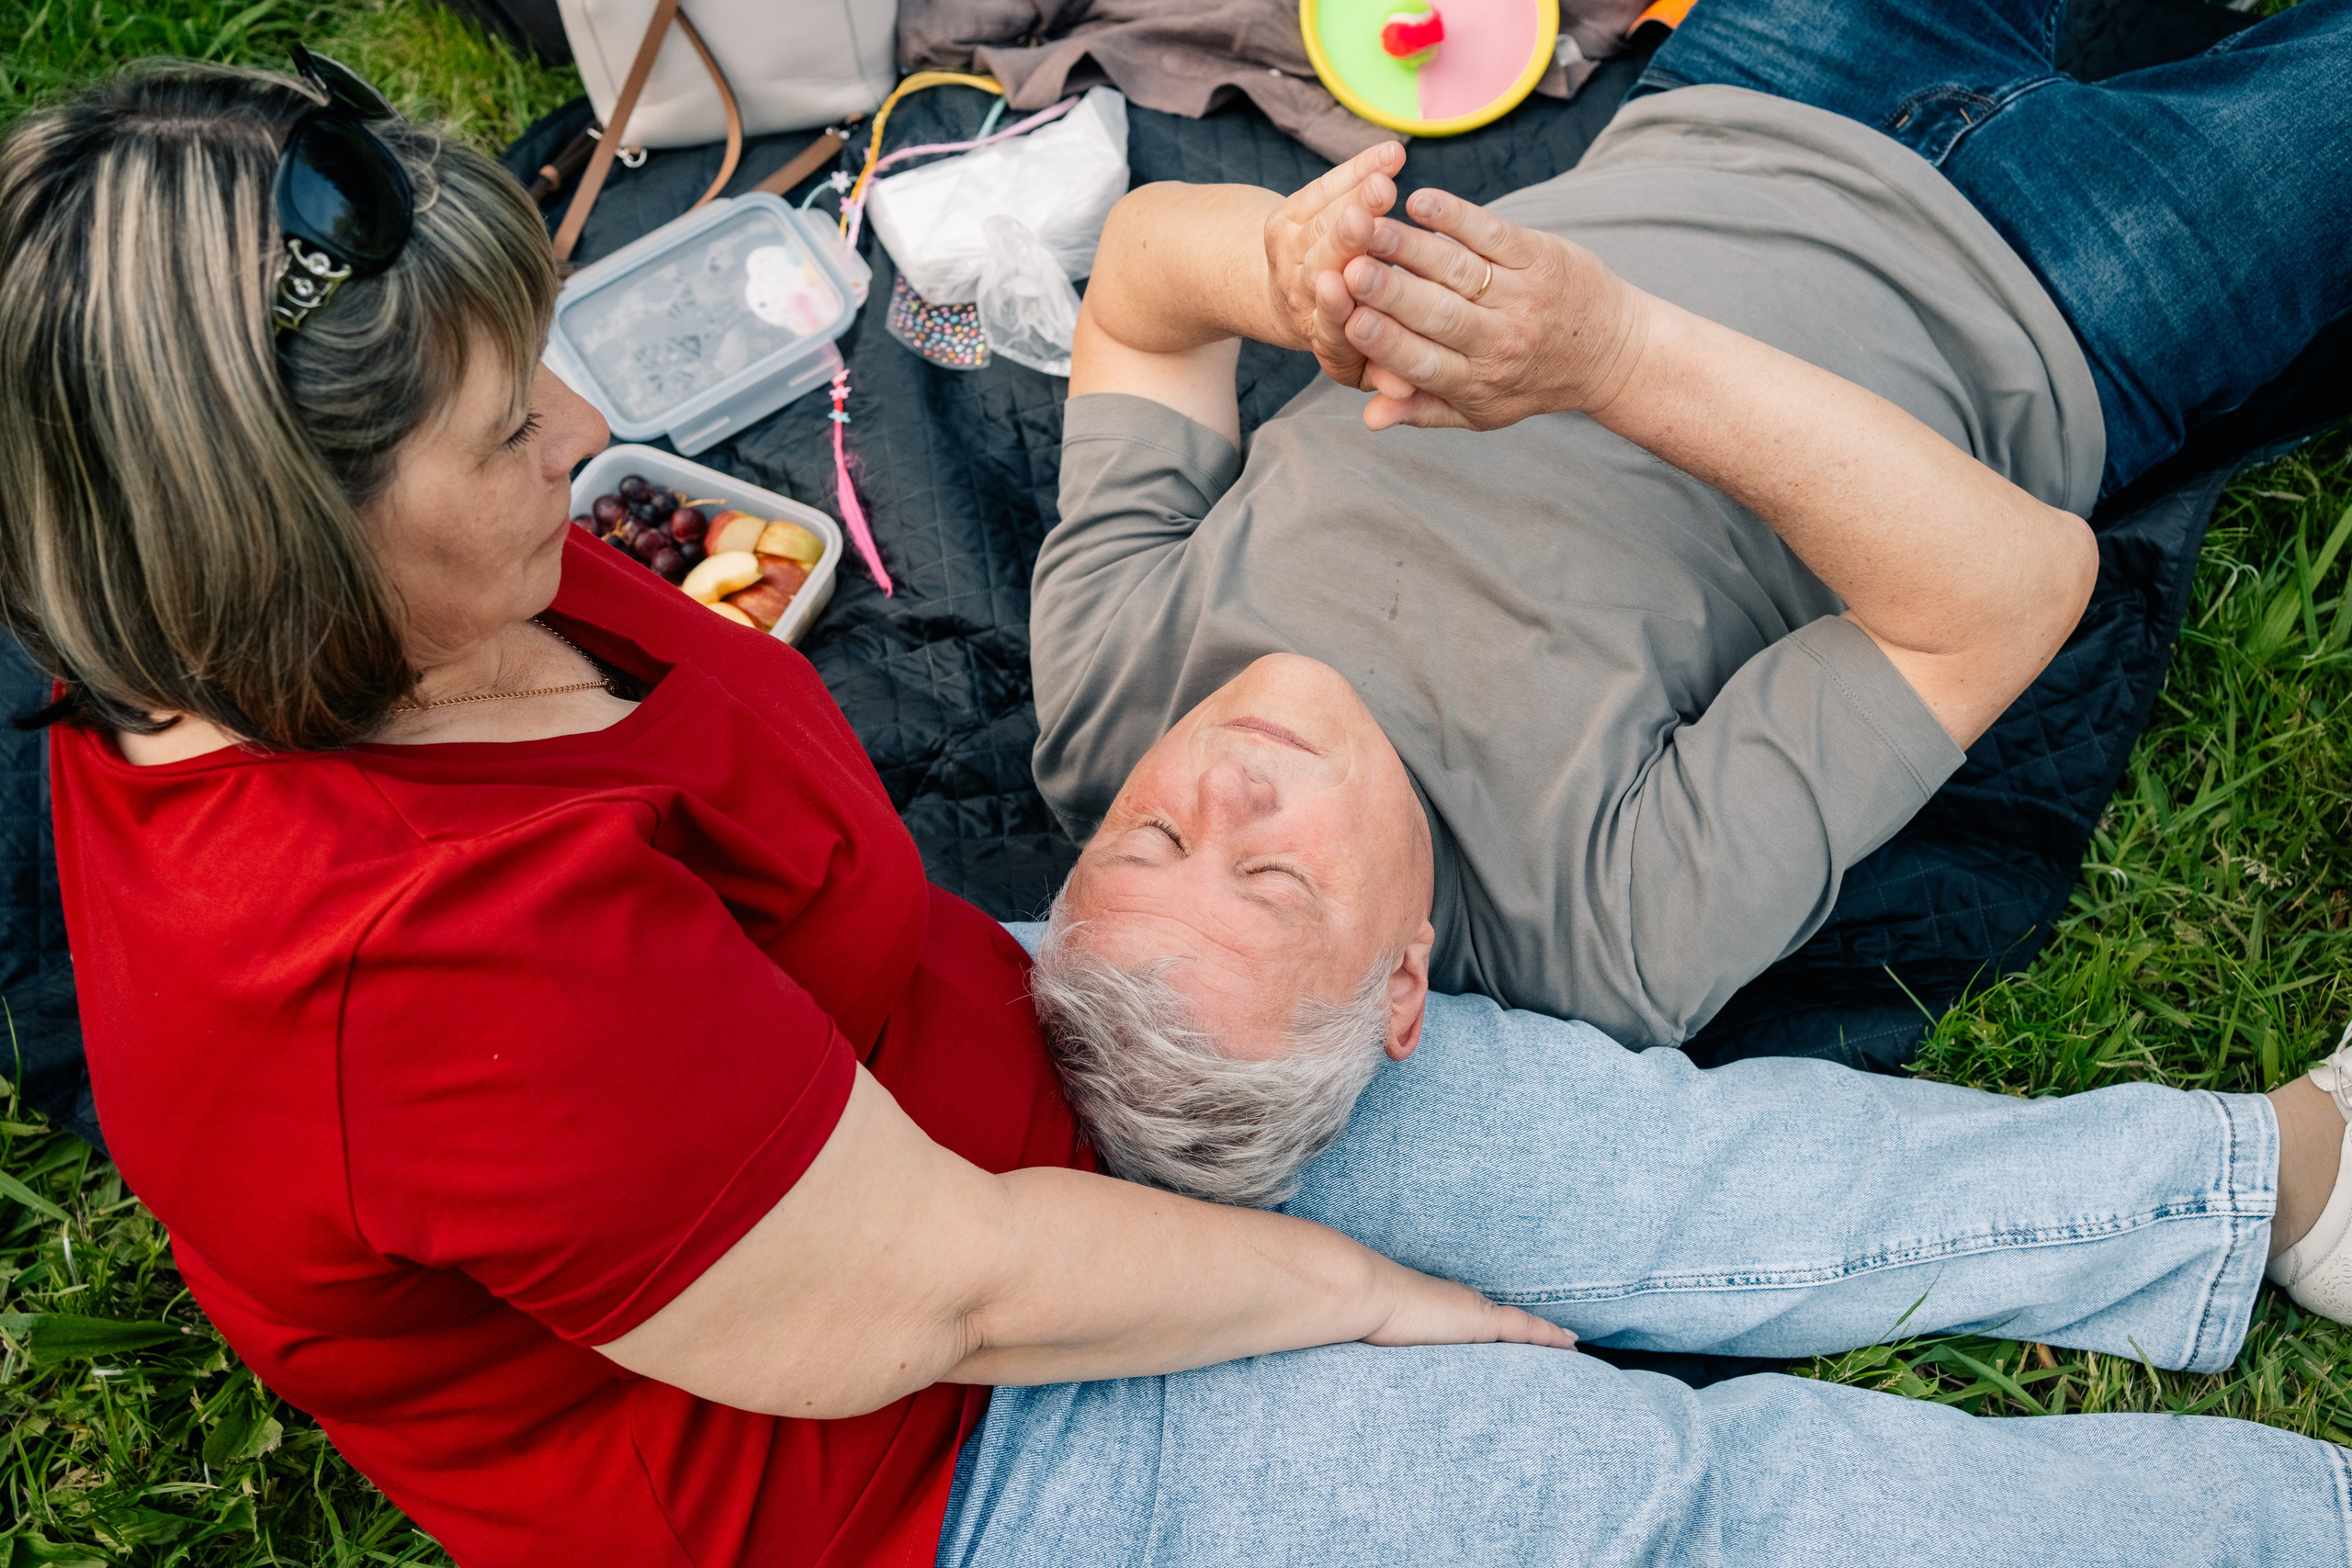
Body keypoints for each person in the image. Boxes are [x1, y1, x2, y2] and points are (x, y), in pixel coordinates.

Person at [11, 43, 2352, 1568]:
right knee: (1636, 1500)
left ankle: (2269, 1192)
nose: (568, 434)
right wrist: (1363, 1300)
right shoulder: (399, 985)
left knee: (1662, 1163)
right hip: (933, 1457)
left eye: (531, 365)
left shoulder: (496, 618)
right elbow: (928, 1296)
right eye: (491, 430)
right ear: (273, 556)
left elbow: (1147, 304)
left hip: (990, 1061)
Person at [1022, 0, 2352, 1192]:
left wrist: (1282, 267)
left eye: (1146, 843)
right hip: (2056, 296)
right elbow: (2015, 590)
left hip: (1744, 103)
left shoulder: (1103, 700)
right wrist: (1610, 354)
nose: (1225, 792)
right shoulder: (1606, 934)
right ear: (1406, 981)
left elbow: (1139, 291)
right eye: (1271, 879)